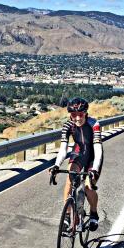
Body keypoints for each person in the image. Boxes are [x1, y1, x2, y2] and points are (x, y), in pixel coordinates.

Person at [49, 97, 103, 231]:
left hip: (92, 156)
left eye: (80, 115)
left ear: (85, 113)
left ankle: (94, 213)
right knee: (69, 179)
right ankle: (68, 215)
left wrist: (94, 169)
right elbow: (63, 149)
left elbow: (98, 149)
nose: (77, 118)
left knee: (89, 186)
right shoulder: (68, 126)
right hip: (78, 153)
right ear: (70, 115)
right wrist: (56, 165)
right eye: (74, 115)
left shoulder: (94, 124)